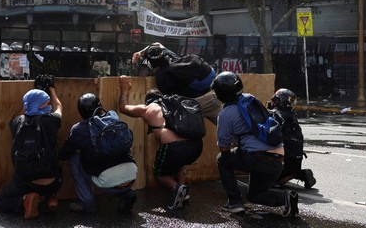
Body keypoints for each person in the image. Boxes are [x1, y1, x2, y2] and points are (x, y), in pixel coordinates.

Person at [212, 71, 299, 217]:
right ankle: (286, 198)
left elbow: (224, 147)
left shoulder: (225, 114)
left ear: (220, 94)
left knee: (222, 159)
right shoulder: (249, 99)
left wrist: (237, 146)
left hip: (258, 159)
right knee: (254, 195)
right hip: (278, 159)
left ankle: (234, 203)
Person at [116, 76, 202, 211]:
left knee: (160, 175)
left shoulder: (150, 108)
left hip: (175, 148)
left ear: (148, 101)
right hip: (196, 146)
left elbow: (124, 108)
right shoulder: (175, 106)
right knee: (180, 165)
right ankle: (183, 193)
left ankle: (177, 188)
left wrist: (125, 88)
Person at [58, 93, 137, 214]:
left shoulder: (78, 129)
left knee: (74, 157)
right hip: (131, 175)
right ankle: (126, 194)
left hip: (108, 183)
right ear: (100, 106)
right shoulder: (113, 117)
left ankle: (87, 204)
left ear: (80, 112)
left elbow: (65, 154)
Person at [0, 82, 63, 219]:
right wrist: (51, 89)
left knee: (2, 201)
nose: (49, 105)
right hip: (54, 181)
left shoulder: (17, 123)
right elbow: (59, 107)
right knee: (52, 160)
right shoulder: (52, 121)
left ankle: (25, 200)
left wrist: (31, 98)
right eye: (46, 103)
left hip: (27, 182)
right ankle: (51, 197)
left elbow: (21, 113)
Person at [132, 42, 221, 123]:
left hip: (194, 105)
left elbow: (169, 100)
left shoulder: (162, 77)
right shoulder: (171, 56)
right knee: (228, 127)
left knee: (179, 133)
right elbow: (158, 44)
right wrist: (140, 52)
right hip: (212, 96)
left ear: (151, 63)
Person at [268, 88, 316, 189]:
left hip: (280, 163)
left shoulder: (273, 116)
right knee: (289, 171)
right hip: (296, 162)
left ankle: (278, 179)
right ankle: (299, 174)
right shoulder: (293, 117)